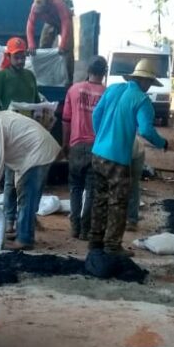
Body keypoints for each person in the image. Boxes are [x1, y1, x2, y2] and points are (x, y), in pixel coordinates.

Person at [89, 59, 169, 256]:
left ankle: (95, 241)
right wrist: (164, 144)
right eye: (149, 82)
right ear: (145, 81)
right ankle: (112, 246)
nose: (149, 86)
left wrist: (102, 137)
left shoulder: (113, 89)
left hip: (98, 153)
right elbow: (147, 131)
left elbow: (96, 115)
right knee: (118, 203)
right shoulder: (142, 101)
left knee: (99, 199)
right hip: (118, 159)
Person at [0, 106, 60, 252]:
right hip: (36, 150)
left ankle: (24, 239)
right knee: (25, 195)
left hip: (36, 152)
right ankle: (23, 232)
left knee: (26, 197)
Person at [0, 37, 40, 238]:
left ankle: (26, 219)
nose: (20, 60)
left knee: (29, 179)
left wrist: (42, 111)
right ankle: (9, 219)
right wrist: (4, 116)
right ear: (8, 56)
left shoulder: (30, 77)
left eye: (23, 56)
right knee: (10, 180)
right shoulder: (0, 77)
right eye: (17, 56)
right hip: (10, 134)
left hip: (29, 134)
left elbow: (35, 101)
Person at [61, 55, 107, 239]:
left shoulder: (74, 90)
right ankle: (85, 231)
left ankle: (75, 227)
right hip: (97, 148)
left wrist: (65, 143)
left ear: (88, 71)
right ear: (104, 73)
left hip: (77, 146)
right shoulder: (107, 94)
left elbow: (66, 120)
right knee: (91, 191)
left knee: (75, 188)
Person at [26, 0, 74, 81]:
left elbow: (65, 23)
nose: (40, 13)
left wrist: (62, 45)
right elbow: (30, 24)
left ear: (48, 4)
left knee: (67, 51)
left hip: (64, 21)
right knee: (43, 46)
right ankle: (44, 77)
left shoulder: (58, 3)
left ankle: (69, 81)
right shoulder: (34, 7)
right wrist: (31, 44)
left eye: (43, 11)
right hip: (50, 22)